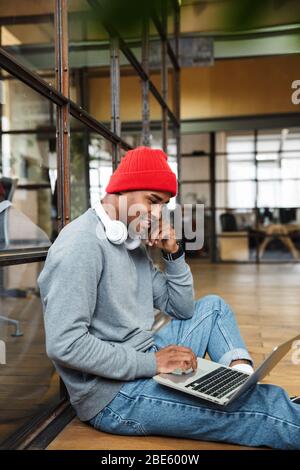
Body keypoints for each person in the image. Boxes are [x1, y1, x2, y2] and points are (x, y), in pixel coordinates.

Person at [38, 146, 300, 450]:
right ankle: (267, 406)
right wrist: (152, 363)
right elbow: (65, 344)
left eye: (163, 205)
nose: (158, 214)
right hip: (114, 397)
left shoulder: (129, 240)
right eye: (153, 201)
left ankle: (238, 385)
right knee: (260, 413)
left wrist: (173, 254)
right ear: (123, 189)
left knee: (212, 307)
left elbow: (183, 307)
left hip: (143, 357)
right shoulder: (80, 246)